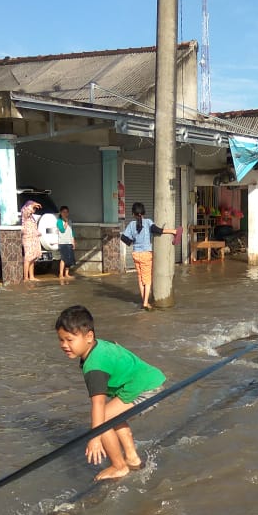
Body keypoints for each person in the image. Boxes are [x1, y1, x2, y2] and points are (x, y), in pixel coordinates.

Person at [54, 304, 165, 481]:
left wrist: (95, 437)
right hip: (145, 381)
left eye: (69, 340)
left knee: (103, 419)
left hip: (144, 388)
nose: (64, 345)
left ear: (89, 336)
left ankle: (119, 466)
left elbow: (98, 404)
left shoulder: (94, 367)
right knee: (112, 414)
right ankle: (132, 458)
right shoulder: (98, 346)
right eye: (61, 340)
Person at [120, 202, 176, 309]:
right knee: (148, 281)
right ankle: (145, 303)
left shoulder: (131, 224)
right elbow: (158, 231)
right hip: (146, 255)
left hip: (136, 254)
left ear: (133, 214)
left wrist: (132, 241)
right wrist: (172, 231)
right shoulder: (148, 222)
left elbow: (123, 238)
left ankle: (144, 301)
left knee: (141, 279)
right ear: (144, 212)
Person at [20, 199, 43, 282]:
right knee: (28, 258)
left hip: (34, 238)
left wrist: (37, 233)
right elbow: (27, 209)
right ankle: (26, 277)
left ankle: (32, 276)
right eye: (33, 208)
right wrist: (34, 204)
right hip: (28, 239)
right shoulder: (24, 214)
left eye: (34, 209)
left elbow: (32, 227)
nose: (33, 210)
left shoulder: (32, 218)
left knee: (32, 258)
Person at [56, 205, 76, 284]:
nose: (65, 213)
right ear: (60, 213)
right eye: (64, 212)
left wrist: (73, 241)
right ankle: (61, 274)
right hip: (63, 242)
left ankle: (66, 274)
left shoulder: (70, 221)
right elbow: (62, 230)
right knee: (63, 258)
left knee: (69, 259)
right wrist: (65, 223)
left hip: (69, 242)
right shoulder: (59, 221)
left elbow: (72, 232)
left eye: (67, 212)